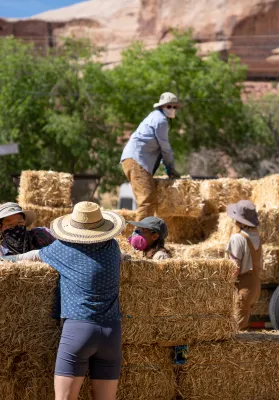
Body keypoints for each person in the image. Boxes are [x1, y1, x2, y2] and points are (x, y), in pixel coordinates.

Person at [7, 201, 126, 400]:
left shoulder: (65, 249)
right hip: (112, 333)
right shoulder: (112, 247)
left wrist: (6, 261)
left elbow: (32, 257)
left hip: (78, 331)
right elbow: (124, 257)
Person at [120, 92, 183, 221]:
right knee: (147, 201)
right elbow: (165, 147)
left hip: (134, 158)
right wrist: (170, 167)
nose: (172, 109)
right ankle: (139, 238)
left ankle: (144, 235)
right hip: (136, 160)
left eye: (174, 107)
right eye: (169, 106)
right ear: (162, 106)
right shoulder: (161, 120)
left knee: (148, 200)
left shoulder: (155, 116)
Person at [226, 200, 263, 330]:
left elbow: (234, 265)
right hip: (255, 286)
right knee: (244, 325)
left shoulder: (237, 238)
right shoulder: (257, 237)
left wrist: (226, 284)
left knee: (235, 329)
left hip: (242, 286)